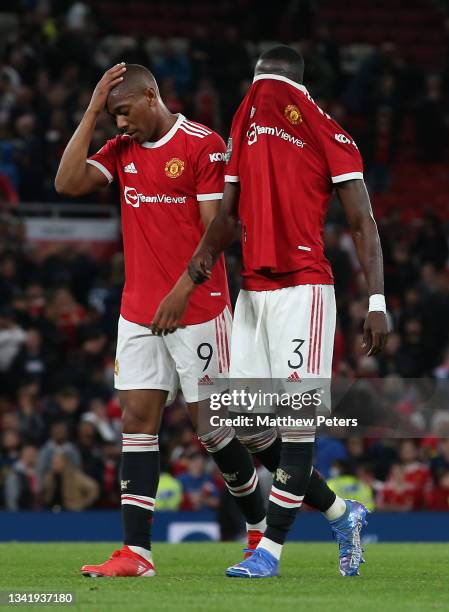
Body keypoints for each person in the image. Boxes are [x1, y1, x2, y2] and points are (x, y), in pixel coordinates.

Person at [152, 46, 389, 578]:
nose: (262, 100)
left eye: (266, 89)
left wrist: (376, 301)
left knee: (297, 426)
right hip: (253, 293)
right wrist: (185, 286)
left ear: (282, 83)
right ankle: (340, 511)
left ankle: (270, 553)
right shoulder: (246, 125)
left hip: (304, 289)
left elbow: (363, 222)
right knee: (250, 425)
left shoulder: (325, 130)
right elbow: (226, 220)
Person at [55, 63, 271, 578]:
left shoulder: (201, 144)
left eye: (124, 113)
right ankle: (137, 554)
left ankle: (260, 525)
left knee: (214, 430)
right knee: (136, 421)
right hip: (138, 311)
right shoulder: (122, 148)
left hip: (196, 306)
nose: (120, 126)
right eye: (113, 118)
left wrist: (181, 290)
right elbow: (67, 183)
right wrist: (91, 110)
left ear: (151, 96)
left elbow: (218, 229)